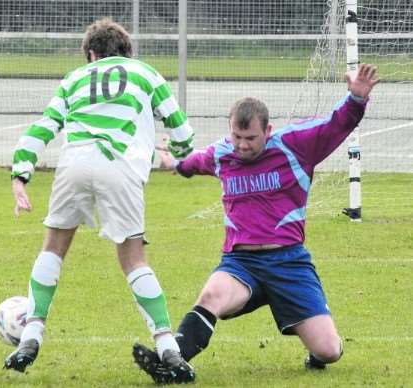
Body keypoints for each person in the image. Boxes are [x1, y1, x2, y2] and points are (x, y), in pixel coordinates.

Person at [132, 64, 380, 384]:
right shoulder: (223, 153)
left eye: (250, 138)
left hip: (289, 262)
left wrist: (356, 99)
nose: (242, 145)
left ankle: (316, 347)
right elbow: (195, 163)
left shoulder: (296, 145)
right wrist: (174, 164)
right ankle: (172, 361)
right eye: (237, 136)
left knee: (329, 350)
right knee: (210, 296)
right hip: (241, 262)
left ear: (268, 130)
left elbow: (336, 125)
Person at [4, 18, 195, 383]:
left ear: (91, 55)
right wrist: (178, 151)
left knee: (53, 248)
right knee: (134, 258)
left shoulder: (75, 78)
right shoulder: (145, 74)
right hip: (119, 167)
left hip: (74, 163)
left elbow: (41, 128)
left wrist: (20, 177)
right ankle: (168, 344)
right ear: (128, 52)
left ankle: (30, 335)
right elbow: (183, 132)